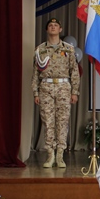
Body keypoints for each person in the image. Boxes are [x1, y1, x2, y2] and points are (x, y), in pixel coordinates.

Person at [31, 18, 80, 168]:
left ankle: (60, 154)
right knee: (48, 121)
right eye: (50, 25)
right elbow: (35, 73)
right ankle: (50, 154)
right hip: (46, 87)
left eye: (56, 25)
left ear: (60, 29)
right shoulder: (40, 49)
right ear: (47, 30)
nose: (53, 27)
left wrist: (75, 91)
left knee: (63, 121)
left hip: (63, 87)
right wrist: (35, 92)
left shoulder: (68, 49)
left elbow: (74, 71)